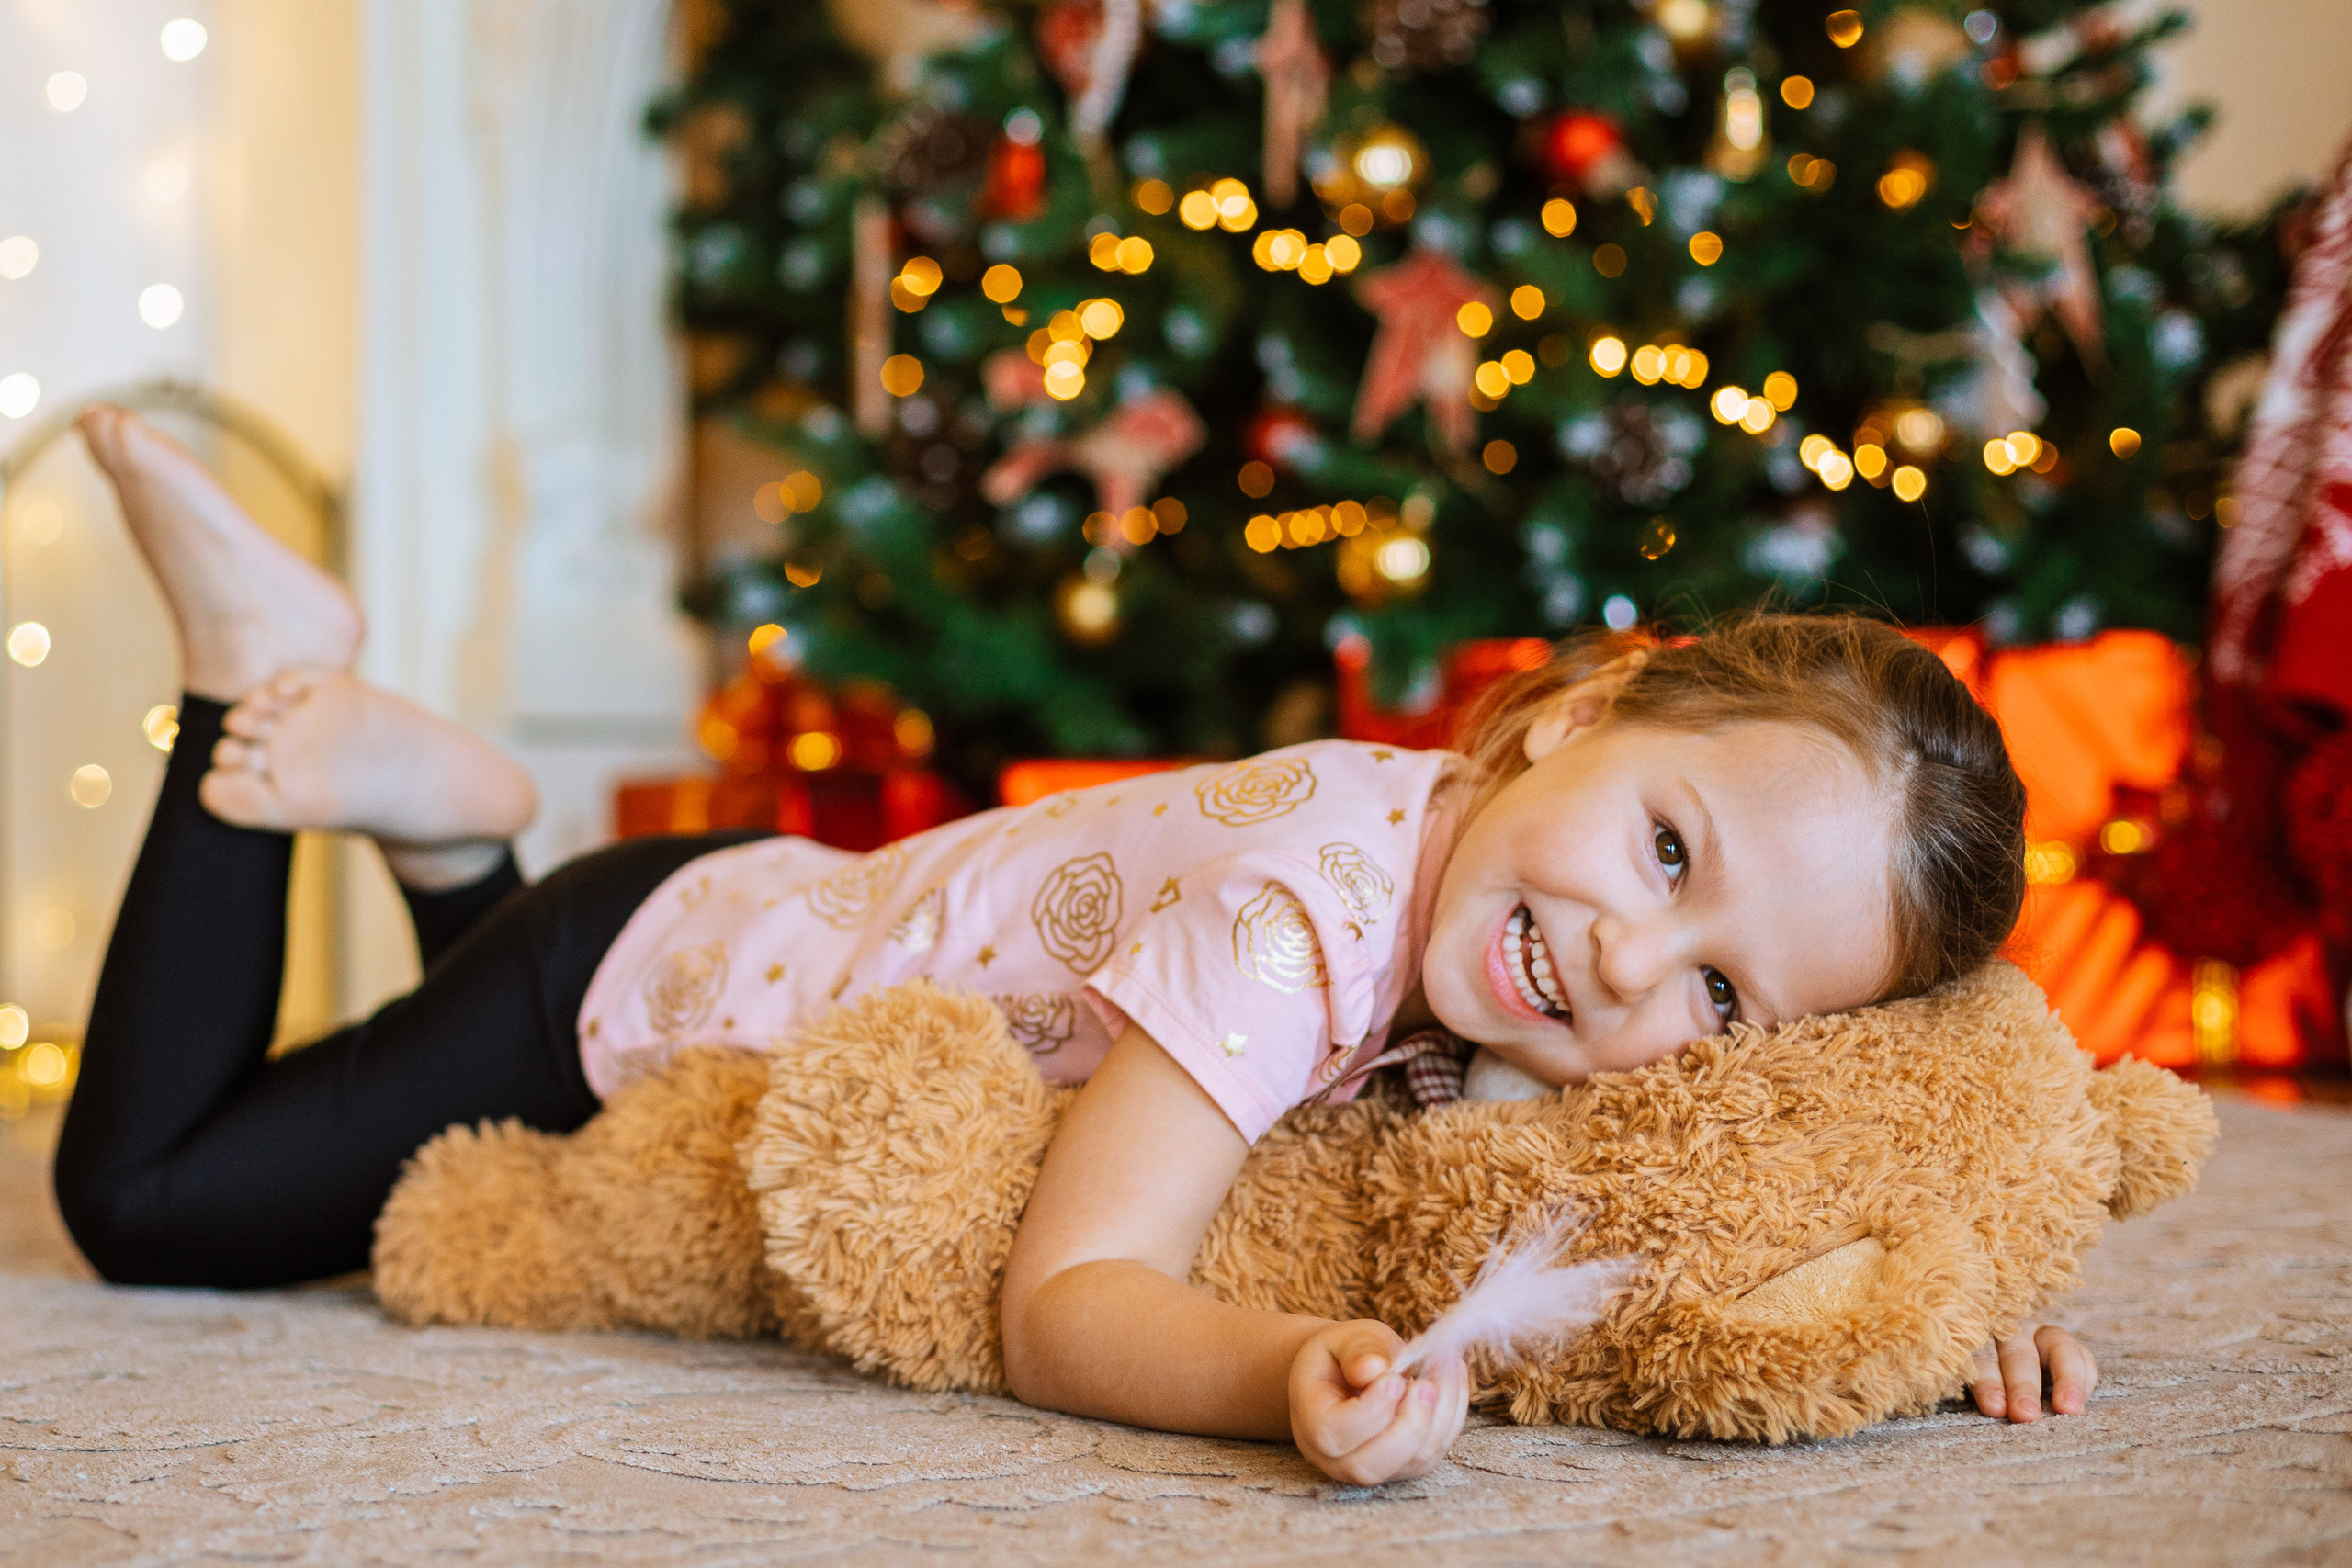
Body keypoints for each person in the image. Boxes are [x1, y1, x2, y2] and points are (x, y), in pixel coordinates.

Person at [54, 406, 2097, 1486]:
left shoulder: (1494, 865)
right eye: (1665, 844)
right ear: (1578, 706)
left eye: (1722, 990)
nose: (1629, 967)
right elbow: (1069, 1298)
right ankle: (261, 676)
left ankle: (454, 821)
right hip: (642, 995)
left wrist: (1929, 1311)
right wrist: (1279, 1362)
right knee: (150, 1196)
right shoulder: (1304, 912)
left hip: (777, 919)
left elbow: (1792, 1139)